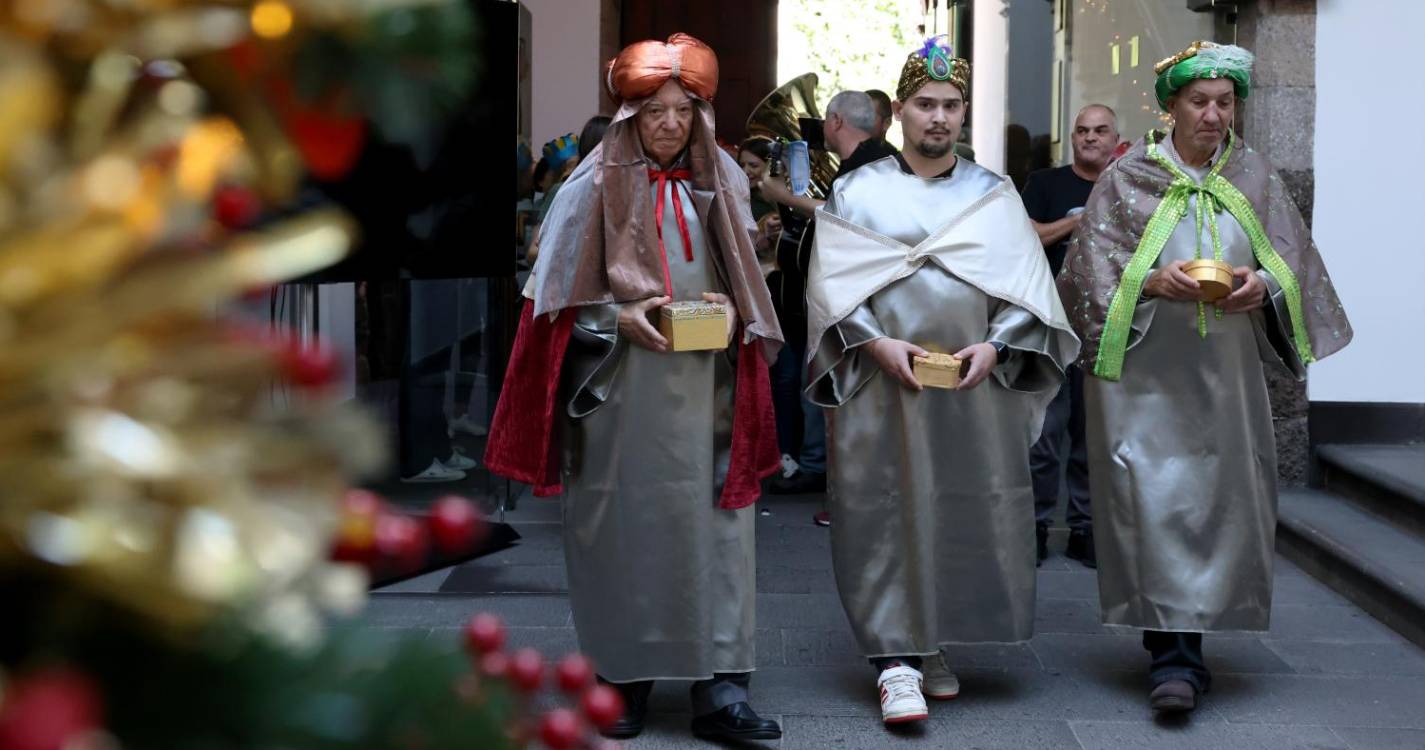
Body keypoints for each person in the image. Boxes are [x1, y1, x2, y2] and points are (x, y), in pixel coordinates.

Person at [483, 33, 784, 742]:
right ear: (630, 118)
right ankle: (623, 678)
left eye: (684, 112)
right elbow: (551, 296)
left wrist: (740, 310)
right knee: (626, 531)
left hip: (709, 391)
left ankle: (721, 689)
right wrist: (616, 313)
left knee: (719, 531)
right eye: (656, 112)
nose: (671, 125)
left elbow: (748, 281)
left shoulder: (726, 183)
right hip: (620, 395)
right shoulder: (589, 188)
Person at [1057, 41, 1352, 714]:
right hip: (1142, 378)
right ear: (1170, 107)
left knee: (1217, 502)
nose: (1213, 115)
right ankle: (1172, 654)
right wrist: (1149, 281)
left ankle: (1190, 642)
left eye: (1225, 103)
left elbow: (1292, 262)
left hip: (1223, 376)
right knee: (1152, 501)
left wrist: (1260, 286)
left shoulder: (1255, 176)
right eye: (1199, 102)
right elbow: (1087, 275)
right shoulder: (1124, 179)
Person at [804, 38, 1079, 726]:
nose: (937, 117)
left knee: (956, 505)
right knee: (883, 507)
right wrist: (873, 342)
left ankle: (930, 643)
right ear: (898, 111)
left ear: (962, 114)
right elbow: (831, 285)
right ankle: (892, 660)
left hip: (968, 384)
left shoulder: (992, 195)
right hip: (882, 381)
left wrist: (995, 346)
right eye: (924, 104)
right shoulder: (857, 191)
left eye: (950, 106)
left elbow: (1027, 294)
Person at [758, 91, 899, 516]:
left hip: (862, 298)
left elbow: (843, 218)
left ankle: (855, 497)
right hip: (847, 296)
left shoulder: (873, 164)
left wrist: (784, 196)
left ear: (835, 122)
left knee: (852, 400)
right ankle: (839, 486)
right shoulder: (865, 162)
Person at [1021, 103, 1118, 569]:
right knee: (1045, 431)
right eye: (1082, 130)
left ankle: (1085, 528)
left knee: (1092, 433)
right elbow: (1026, 238)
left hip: (1108, 322)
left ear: (1115, 137)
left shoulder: (1130, 185)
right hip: (1051, 320)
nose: (1090, 138)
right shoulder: (1044, 184)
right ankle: (1035, 526)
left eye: (1100, 131)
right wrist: (1078, 221)